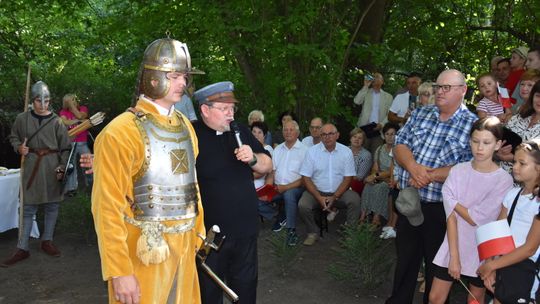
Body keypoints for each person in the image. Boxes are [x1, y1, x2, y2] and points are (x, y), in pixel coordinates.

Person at [91, 38, 205, 304]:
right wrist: (119, 271)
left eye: (184, 76)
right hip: (144, 251)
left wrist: (198, 234)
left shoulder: (186, 127)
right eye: (174, 76)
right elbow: (107, 207)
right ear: (152, 78)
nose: (183, 83)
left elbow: (192, 186)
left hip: (185, 248)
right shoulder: (120, 132)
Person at [386, 69, 477, 304]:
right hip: (410, 201)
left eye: (446, 87)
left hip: (443, 210)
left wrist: (430, 175)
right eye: (438, 87)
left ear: (463, 90)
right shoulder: (421, 113)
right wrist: (414, 168)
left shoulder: (474, 126)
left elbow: (471, 167)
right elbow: (399, 145)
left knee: (437, 268)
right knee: (405, 261)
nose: (440, 92)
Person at [192, 81, 272, 304]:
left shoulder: (240, 132)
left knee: (245, 291)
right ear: (205, 110)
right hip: (210, 236)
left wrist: (253, 158)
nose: (231, 114)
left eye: (232, 109)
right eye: (224, 109)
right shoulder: (191, 135)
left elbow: (267, 165)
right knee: (208, 293)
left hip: (245, 231)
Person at [429, 117, 513, 304]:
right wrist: (454, 257)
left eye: (486, 142)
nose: (480, 148)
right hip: (453, 243)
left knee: (475, 298)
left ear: (498, 144)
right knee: (435, 298)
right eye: (475, 141)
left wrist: (451, 201)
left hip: (482, 249)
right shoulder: (458, 170)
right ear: (469, 141)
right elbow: (451, 218)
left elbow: (476, 218)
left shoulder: (503, 180)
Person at [1, 81, 71, 267]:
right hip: (31, 165)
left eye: (46, 101)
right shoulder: (22, 119)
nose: (43, 104)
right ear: (32, 101)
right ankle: (22, 248)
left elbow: (65, 147)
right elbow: (14, 136)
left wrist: (62, 167)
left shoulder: (57, 121)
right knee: (27, 208)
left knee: (52, 206)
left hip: (51, 166)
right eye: (39, 101)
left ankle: (47, 241)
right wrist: (19, 147)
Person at [477, 140, 540, 303]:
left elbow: (530, 248)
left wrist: (492, 266)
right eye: (514, 162)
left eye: (522, 163)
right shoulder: (512, 195)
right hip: (503, 266)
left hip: (525, 271)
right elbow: (497, 235)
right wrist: (491, 264)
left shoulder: (538, 203)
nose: (515, 167)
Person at [298, 123, 362, 246]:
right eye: (324, 134)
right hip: (316, 191)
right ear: (320, 137)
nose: (327, 137)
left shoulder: (346, 152)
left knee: (354, 199)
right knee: (303, 205)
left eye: (331, 134)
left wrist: (335, 197)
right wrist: (318, 197)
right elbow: (305, 177)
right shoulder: (312, 152)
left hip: (340, 191)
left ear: (337, 135)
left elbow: (348, 178)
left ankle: (350, 234)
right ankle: (313, 232)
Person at [266, 120, 308, 246]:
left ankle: (291, 231)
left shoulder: (305, 151)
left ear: (297, 132)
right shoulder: (278, 149)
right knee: (260, 197)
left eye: (291, 129)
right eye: (285, 130)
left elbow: (305, 179)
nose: (288, 132)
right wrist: (268, 188)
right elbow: (272, 173)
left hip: (297, 187)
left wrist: (286, 187)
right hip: (278, 187)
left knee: (289, 195)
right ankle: (281, 215)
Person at [359, 122, 398, 227]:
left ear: (397, 135)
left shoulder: (398, 150)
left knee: (379, 187)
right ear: (384, 136)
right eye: (387, 134)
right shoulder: (380, 149)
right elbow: (374, 168)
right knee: (368, 185)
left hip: (391, 179)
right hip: (379, 176)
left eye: (392, 134)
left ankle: (376, 219)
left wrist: (375, 176)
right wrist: (373, 177)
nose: (390, 137)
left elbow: (391, 171)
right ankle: (362, 217)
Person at [499, 80, 540, 174]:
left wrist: (513, 158)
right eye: (538, 96)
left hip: (524, 184)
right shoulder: (519, 117)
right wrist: (498, 151)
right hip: (498, 173)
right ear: (532, 96)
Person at [59, 93, 92, 196]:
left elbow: (81, 115)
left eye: (73, 100)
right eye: (70, 101)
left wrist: (74, 112)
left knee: (88, 164)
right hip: (70, 142)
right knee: (71, 166)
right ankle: (71, 189)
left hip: (82, 142)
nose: (73, 102)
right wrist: (80, 121)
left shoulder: (83, 108)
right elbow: (65, 122)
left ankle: (92, 185)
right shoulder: (63, 111)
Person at [353, 72, 394, 154]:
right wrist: (365, 86)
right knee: (360, 153)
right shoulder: (366, 92)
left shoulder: (388, 96)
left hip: (379, 130)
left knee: (375, 154)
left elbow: (389, 114)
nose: (375, 78)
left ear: (382, 81)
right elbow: (357, 101)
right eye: (373, 77)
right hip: (364, 128)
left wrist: (382, 124)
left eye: (377, 77)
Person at [250, 121, 277, 223]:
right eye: (254, 131)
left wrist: (245, 176)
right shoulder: (248, 148)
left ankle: (275, 215)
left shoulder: (267, 150)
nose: (256, 135)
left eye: (259, 132)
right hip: (249, 183)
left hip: (261, 185)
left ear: (265, 135)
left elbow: (262, 172)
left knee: (251, 200)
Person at [348, 127, 372, 198]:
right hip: (343, 179)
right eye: (354, 136)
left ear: (363, 141)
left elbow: (359, 177)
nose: (356, 139)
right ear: (350, 138)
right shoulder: (344, 150)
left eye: (360, 138)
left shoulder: (366, 155)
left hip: (357, 183)